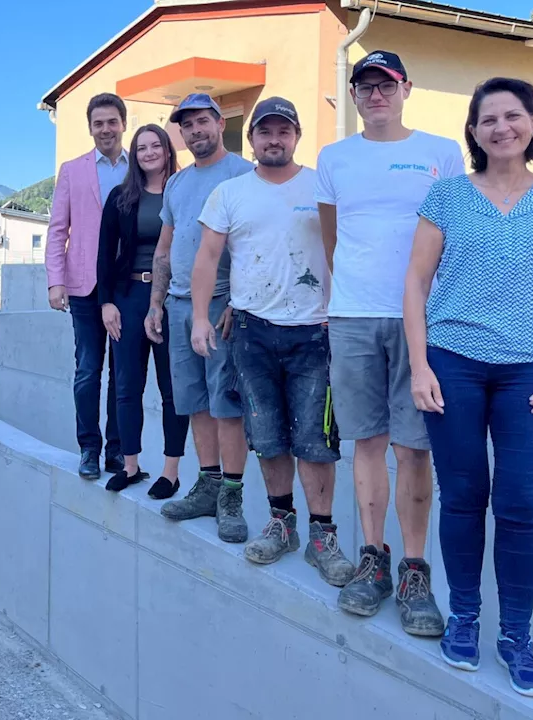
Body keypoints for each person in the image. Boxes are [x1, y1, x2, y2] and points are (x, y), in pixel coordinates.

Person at [403, 77, 533, 699]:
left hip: (530, 372)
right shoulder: (447, 195)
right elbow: (416, 284)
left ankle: (515, 636)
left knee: (522, 507)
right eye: (488, 119)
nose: (501, 127)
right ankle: (465, 618)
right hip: (452, 362)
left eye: (513, 116)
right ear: (474, 132)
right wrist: (420, 365)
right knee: (461, 497)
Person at [314, 50, 463, 634]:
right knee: (367, 444)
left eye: (386, 84)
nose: (375, 94)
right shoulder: (335, 158)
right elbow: (332, 239)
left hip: (420, 322)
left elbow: (455, 235)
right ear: (353, 95)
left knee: (414, 448)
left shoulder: (440, 153)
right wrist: (345, 295)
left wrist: (430, 309)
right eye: (364, 85)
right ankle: (373, 559)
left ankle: (414, 569)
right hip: (351, 317)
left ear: (406, 89)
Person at [190, 98, 356, 584]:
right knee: (267, 436)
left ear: (297, 136)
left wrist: (343, 311)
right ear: (253, 140)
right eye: (266, 132)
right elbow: (206, 258)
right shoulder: (229, 193)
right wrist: (201, 317)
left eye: (284, 131)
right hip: (251, 332)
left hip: (316, 332)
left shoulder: (321, 187)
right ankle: (282, 524)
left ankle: (323, 536)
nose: (274, 139)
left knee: (316, 440)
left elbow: (348, 248)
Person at [146, 94, 254, 543]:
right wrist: (156, 303)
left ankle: (231, 496)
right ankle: (207, 484)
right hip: (178, 305)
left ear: (220, 122)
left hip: (225, 305)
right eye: (187, 125)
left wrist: (239, 302)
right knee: (193, 401)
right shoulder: (176, 185)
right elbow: (165, 249)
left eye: (203, 121)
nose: (196, 131)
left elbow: (257, 247)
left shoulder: (246, 175)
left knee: (226, 403)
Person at [96, 125, 190, 497]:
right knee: (127, 386)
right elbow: (105, 253)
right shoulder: (122, 196)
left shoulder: (183, 192)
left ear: (168, 150)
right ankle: (130, 464)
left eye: (156, 146)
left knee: (173, 388)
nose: (149, 152)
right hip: (130, 293)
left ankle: (170, 472)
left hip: (172, 297)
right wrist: (106, 302)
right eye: (141, 148)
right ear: (134, 155)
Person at [46, 92, 128, 480]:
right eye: (99, 123)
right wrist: (55, 281)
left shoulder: (138, 169)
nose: (106, 129)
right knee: (88, 369)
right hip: (83, 286)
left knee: (123, 373)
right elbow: (57, 229)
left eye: (112, 121)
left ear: (123, 124)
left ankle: (117, 451)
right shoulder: (72, 170)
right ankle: (89, 449)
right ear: (90, 127)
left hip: (127, 283)